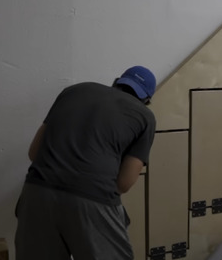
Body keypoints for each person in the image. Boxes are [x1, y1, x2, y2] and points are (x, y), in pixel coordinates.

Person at [15, 66, 157, 260]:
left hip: (37, 191)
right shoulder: (145, 116)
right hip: (93, 199)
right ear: (147, 100)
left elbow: (34, 152)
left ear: (117, 82)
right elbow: (123, 183)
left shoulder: (73, 91)